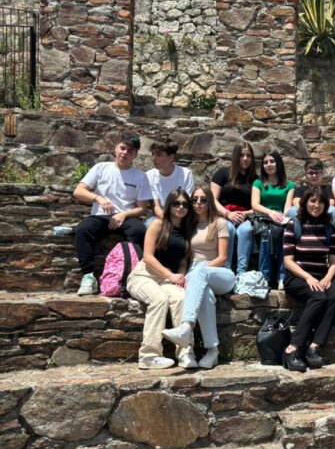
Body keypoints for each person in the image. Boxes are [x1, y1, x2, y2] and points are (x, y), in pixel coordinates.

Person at [161, 184, 234, 370]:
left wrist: (200, 270)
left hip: (220, 273)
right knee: (206, 297)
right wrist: (183, 276)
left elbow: (223, 257)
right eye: (194, 200)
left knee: (200, 271)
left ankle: (186, 327)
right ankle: (212, 351)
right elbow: (186, 258)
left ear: (210, 202)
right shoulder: (189, 225)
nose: (198, 203)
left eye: (203, 200)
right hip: (196, 275)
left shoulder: (219, 223)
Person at [73, 133, 152, 296]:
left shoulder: (140, 177)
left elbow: (142, 208)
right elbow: (78, 191)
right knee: (82, 230)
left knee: (139, 232)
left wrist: (123, 215)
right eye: (122, 148)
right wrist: (98, 198)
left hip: (127, 217)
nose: (125, 153)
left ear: (135, 155)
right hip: (100, 216)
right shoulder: (101, 168)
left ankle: (133, 275)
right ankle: (89, 276)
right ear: (116, 149)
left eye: (130, 151)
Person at [126, 189, 194, 370]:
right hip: (144, 275)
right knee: (159, 300)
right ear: (169, 205)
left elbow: (183, 261)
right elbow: (148, 256)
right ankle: (149, 356)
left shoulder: (186, 231)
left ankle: (186, 353)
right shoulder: (158, 224)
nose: (181, 207)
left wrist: (181, 276)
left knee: (182, 298)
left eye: (185, 204)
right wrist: (170, 275)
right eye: (176, 203)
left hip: (166, 279)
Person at [282, 189, 335, 372]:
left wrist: (327, 278)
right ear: (305, 203)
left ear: (325, 205)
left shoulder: (329, 228)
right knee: (319, 297)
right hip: (298, 276)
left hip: (322, 274)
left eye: (320, 202)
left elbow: (333, 261)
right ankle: (292, 348)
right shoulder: (294, 225)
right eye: (312, 201)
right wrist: (308, 277)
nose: (316, 206)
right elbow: (288, 261)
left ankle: (314, 347)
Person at [251, 149, 295, 289]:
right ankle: (265, 276)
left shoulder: (289, 185)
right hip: (263, 217)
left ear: (278, 163)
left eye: (272, 161)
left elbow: (288, 206)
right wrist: (270, 213)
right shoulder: (258, 183)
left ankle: (282, 277)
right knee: (266, 234)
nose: (268, 164)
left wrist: (282, 217)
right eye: (265, 162)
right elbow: (255, 204)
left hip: (280, 217)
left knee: (285, 234)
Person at [211, 142, 257, 275]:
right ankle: (226, 270)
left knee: (246, 230)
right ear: (235, 156)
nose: (245, 158)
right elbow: (212, 199)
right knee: (228, 229)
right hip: (223, 213)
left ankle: (241, 273)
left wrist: (245, 214)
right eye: (241, 155)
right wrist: (228, 214)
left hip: (245, 216)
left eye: (248, 156)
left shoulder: (254, 179)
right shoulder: (222, 173)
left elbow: (258, 205)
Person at [145, 139, 195, 221]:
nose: (153, 158)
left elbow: (187, 201)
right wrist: (165, 219)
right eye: (152, 154)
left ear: (171, 157)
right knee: (150, 224)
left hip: (181, 213)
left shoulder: (186, 174)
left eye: (158, 155)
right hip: (159, 215)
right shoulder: (149, 175)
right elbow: (155, 206)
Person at [288, 159, 335, 227]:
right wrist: (312, 211)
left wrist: (316, 210)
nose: (314, 176)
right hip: (305, 218)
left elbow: (331, 203)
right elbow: (297, 204)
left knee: (333, 210)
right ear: (305, 174)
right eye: (311, 173)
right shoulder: (300, 189)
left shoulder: (327, 188)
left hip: (323, 216)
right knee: (293, 210)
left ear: (322, 173)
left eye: (317, 172)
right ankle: (300, 236)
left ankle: (328, 236)